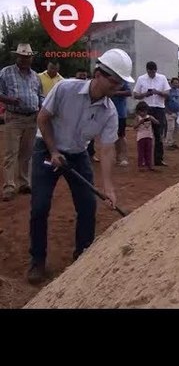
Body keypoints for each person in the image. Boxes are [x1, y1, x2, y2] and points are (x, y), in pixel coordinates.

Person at [28, 48, 134, 284]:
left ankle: (83, 257)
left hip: (77, 154)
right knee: (40, 207)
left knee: (87, 207)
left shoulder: (109, 113)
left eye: (120, 84)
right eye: (114, 82)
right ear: (98, 74)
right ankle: (37, 260)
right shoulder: (66, 89)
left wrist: (109, 188)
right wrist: (54, 151)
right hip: (47, 148)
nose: (117, 88)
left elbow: (106, 151)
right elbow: (42, 118)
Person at [0, 43, 43, 201]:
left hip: (32, 118)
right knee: (11, 153)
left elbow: (40, 95)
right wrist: (9, 99)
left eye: (28, 57)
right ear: (17, 57)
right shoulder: (6, 72)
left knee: (26, 153)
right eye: (23, 56)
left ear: (32, 58)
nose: (26, 59)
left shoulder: (35, 76)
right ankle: (9, 186)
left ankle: (24, 183)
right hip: (14, 117)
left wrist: (41, 107)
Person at [133, 61, 171, 167]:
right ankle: (144, 159)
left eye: (153, 71)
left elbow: (168, 94)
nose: (152, 73)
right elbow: (135, 95)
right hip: (146, 108)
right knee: (144, 134)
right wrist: (146, 93)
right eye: (150, 72)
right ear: (147, 70)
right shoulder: (141, 79)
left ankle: (158, 159)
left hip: (159, 108)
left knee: (158, 134)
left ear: (156, 70)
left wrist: (157, 92)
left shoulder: (162, 78)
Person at [133, 101, 159, 171]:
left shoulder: (149, 117)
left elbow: (157, 122)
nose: (143, 113)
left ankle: (149, 165)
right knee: (141, 152)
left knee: (149, 151)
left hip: (149, 136)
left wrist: (152, 119)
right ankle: (140, 165)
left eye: (144, 111)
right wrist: (139, 122)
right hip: (141, 137)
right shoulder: (137, 118)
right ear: (138, 111)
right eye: (141, 111)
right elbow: (134, 126)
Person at [111, 82, 132, 166]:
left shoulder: (123, 82)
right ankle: (117, 157)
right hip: (109, 113)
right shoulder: (108, 80)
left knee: (121, 136)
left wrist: (115, 92)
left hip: (120, 113)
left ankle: (123, 157)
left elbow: (129, 92)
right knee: (112, 136)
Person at [165, 77, 179, 150]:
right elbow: (164, 102)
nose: (176, 84)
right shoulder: (168, 91)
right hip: (170, 112)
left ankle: (173, 143)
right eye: (175, 83)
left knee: (176, 128)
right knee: (170, 128)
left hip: (178, 112)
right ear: (171, 84)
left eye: (177, 83)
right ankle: (168, 143)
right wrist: (167, 111)